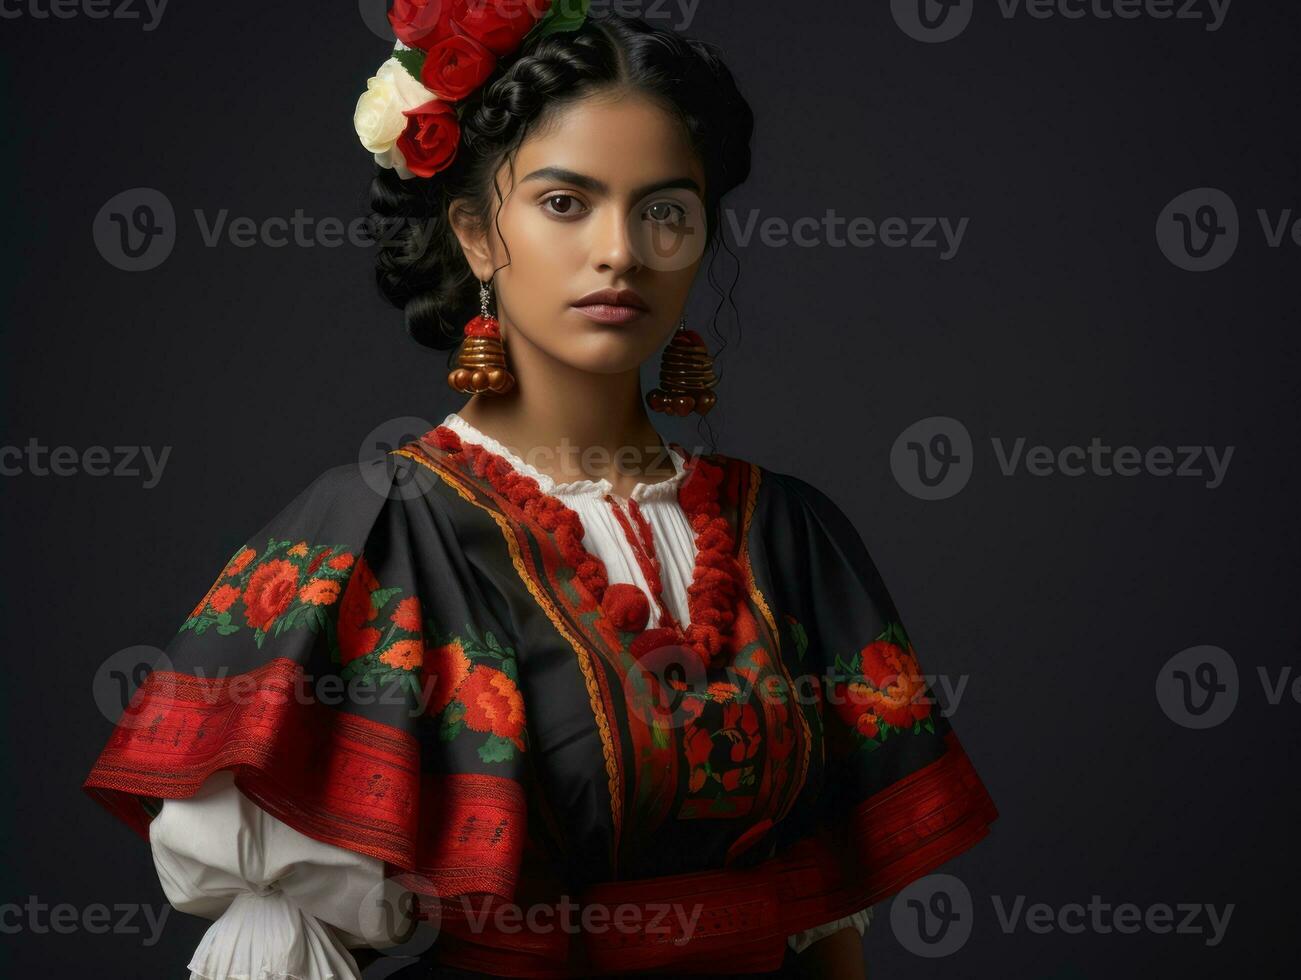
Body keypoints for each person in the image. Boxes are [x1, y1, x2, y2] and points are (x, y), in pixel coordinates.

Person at [83, 4, 998, 977]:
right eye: (565, 202)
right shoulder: (385, 533)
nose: (621, 249)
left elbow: (826, 912)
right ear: (476, 233)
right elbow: (277, 939)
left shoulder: (787, 533)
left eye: (665, 211)